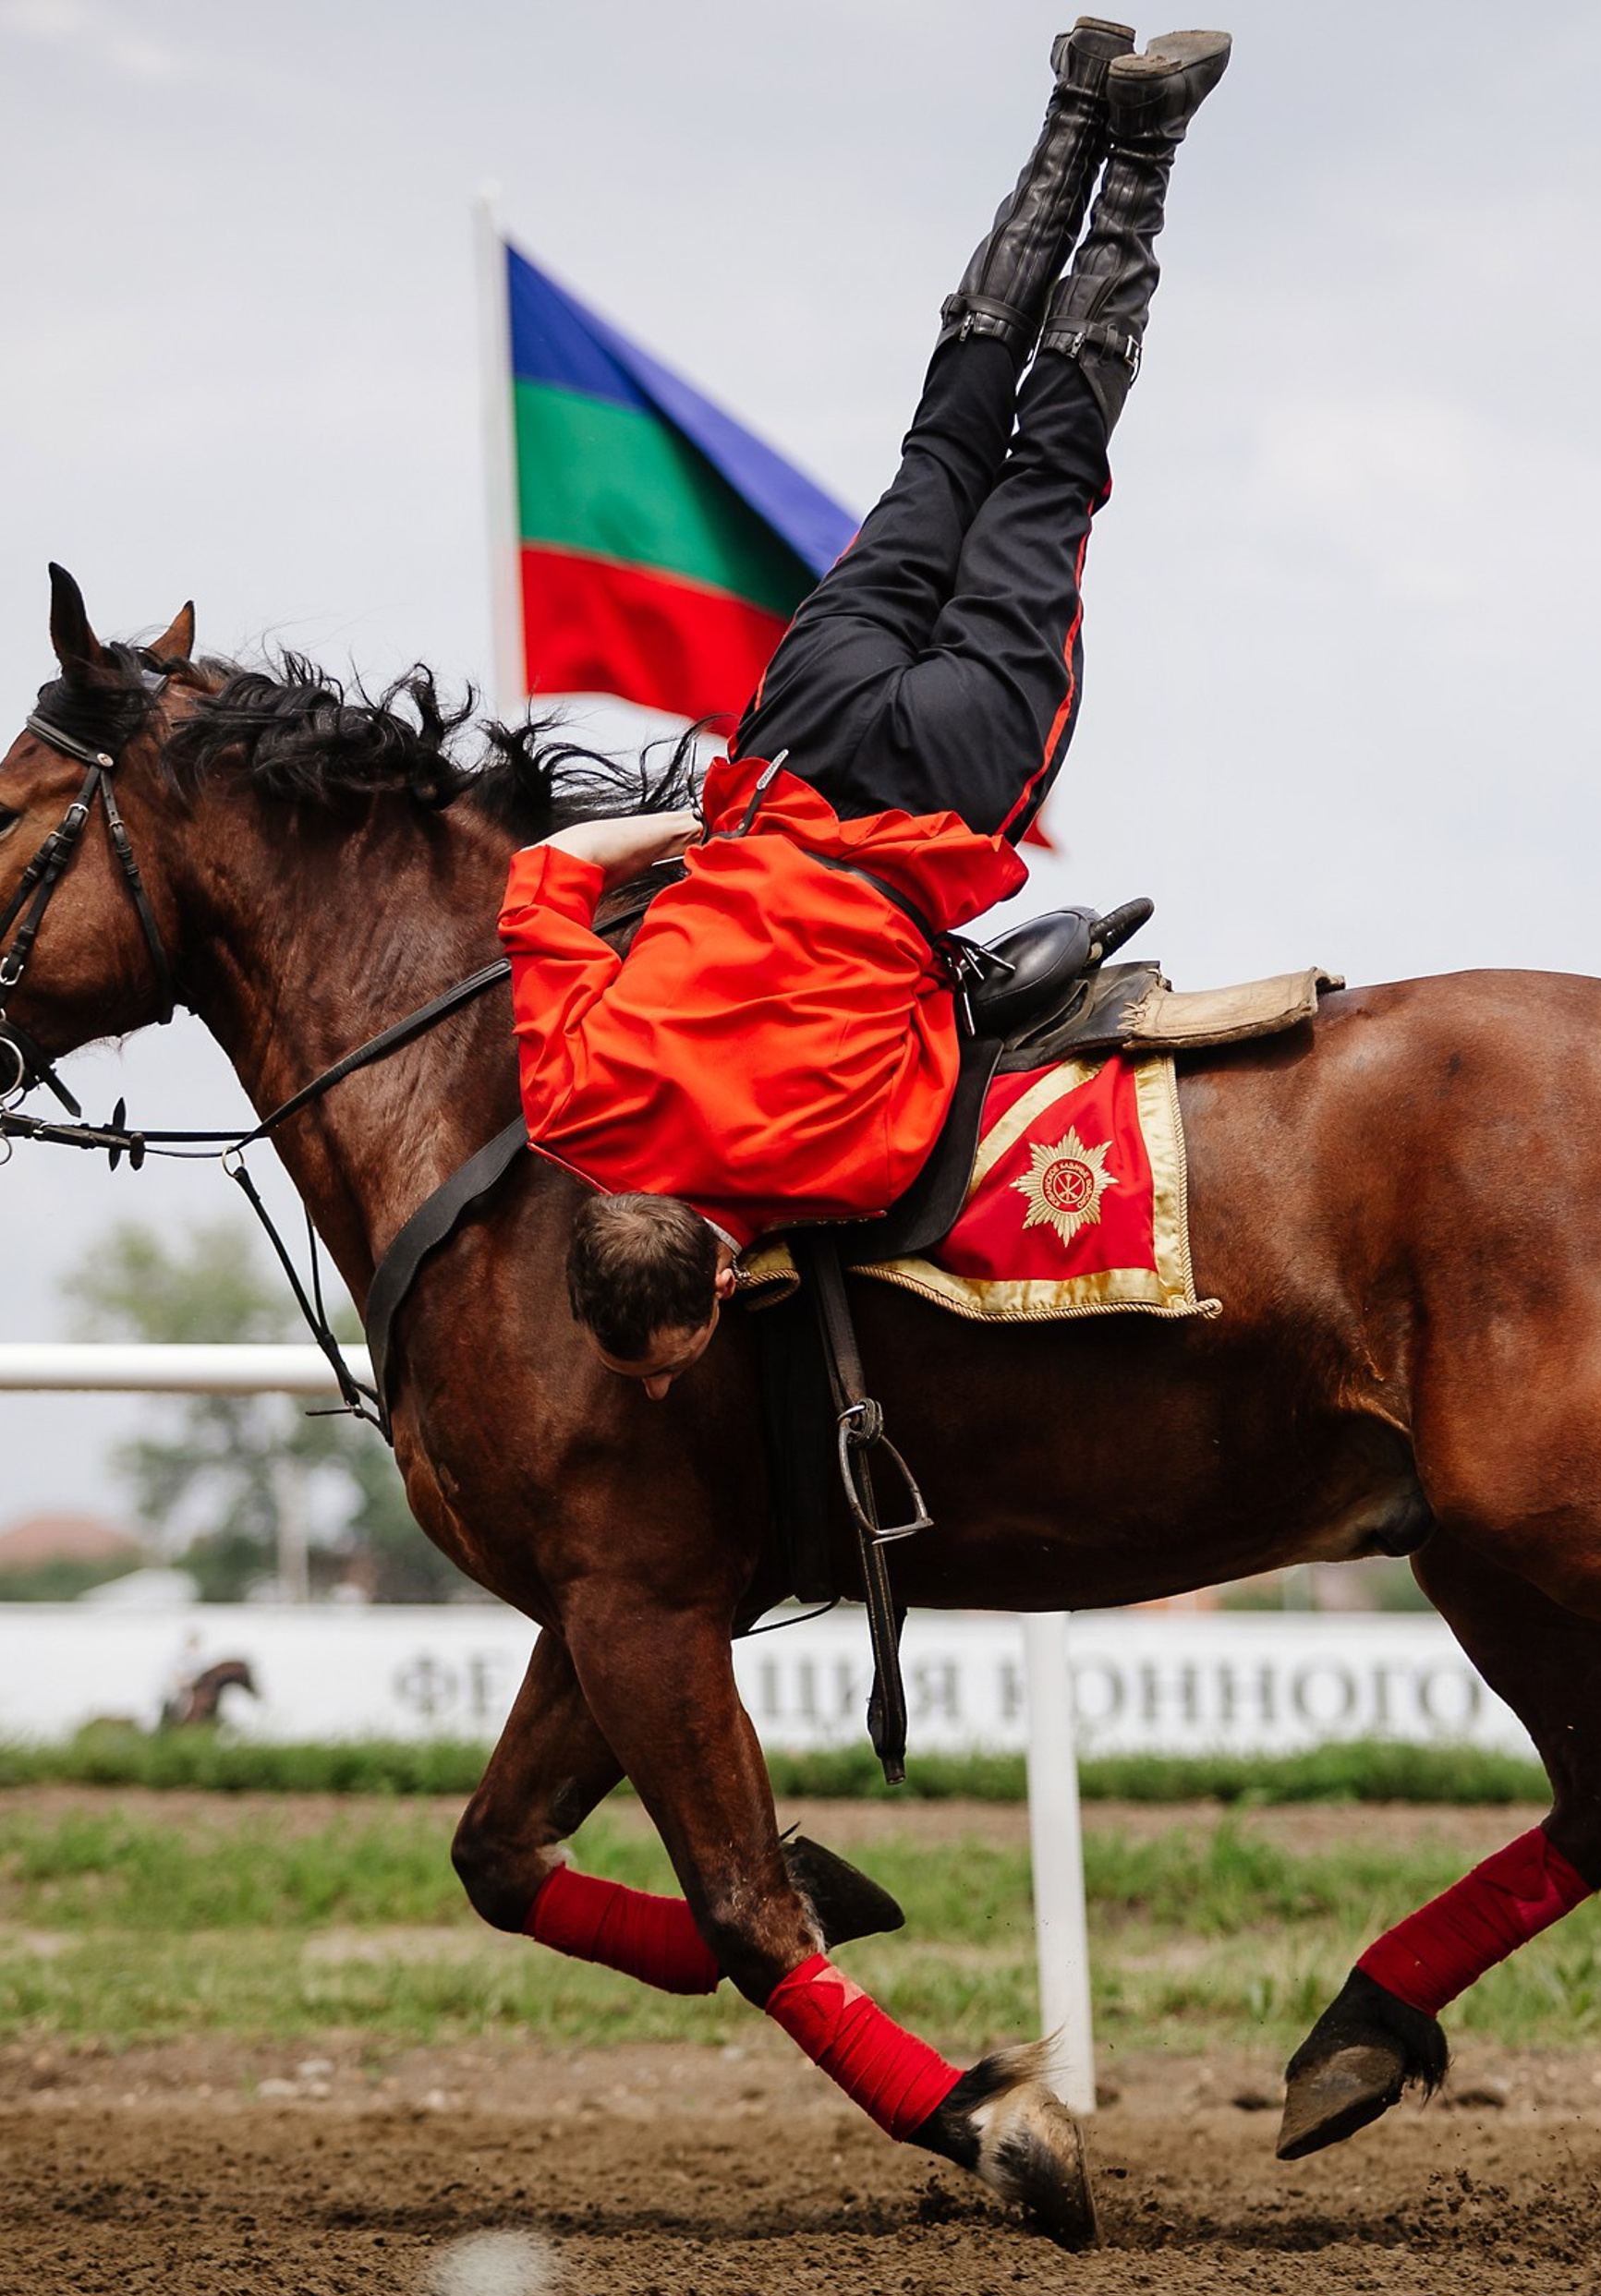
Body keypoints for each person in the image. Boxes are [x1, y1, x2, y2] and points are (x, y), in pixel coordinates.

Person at [496, 21, 1231, 1397]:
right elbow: (547, 872)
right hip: (786, 755)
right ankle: (1077, 110)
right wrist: (694, 835)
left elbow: (963, 1032)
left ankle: (1149, 148)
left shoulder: (850, 1174)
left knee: (1048, 478)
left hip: (948, 785)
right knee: (945, 445)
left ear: (724, 1281)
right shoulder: (568, 1106)